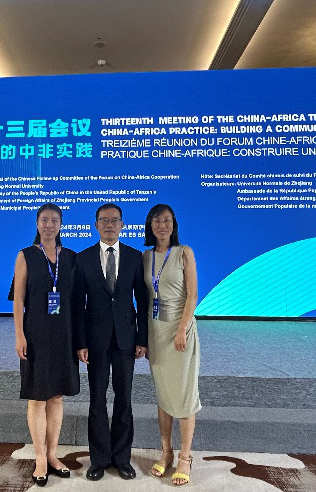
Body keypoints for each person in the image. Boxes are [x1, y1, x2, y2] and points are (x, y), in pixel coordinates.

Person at [73, 202, 149, 481]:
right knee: (97, 399)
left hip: (126, 338)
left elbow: (142, 300)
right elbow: (77, 304)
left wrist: (142, 338)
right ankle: (99, 459)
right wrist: (81, 342)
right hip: (95, 339)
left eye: (114, 220)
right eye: (104, 220)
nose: (109, 225)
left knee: (124, 398)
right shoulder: (82, 258)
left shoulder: (134, 257)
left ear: (122, 225)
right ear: (95, 225)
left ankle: (122, 458)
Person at [12, 203, 80, 487]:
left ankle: (53, 454)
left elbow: (77, 301)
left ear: (61, 225)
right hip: (36, 334)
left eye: (54, 220)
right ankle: (40, 457)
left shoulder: (71, 257)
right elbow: (18, 299)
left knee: (57, 397)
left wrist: (80, 340)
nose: (49, 225)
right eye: (44, 220)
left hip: (64, 334)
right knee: (38, 397)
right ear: (37, 223)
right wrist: (19, 335)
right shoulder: (26, 255)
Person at [143, 203, 201, 487]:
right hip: (156, 331)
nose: (161, 225)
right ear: (150, 226)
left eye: (166, 220)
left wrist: (182, 330)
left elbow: (192, 295)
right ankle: (166, 452)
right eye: (156, 221)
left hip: (180, 331)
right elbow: (144, 298)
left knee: (185, 394)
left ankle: (185, 457)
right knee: (164, 395)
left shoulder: (184, 252)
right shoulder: (146, 256)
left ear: (173, 224)